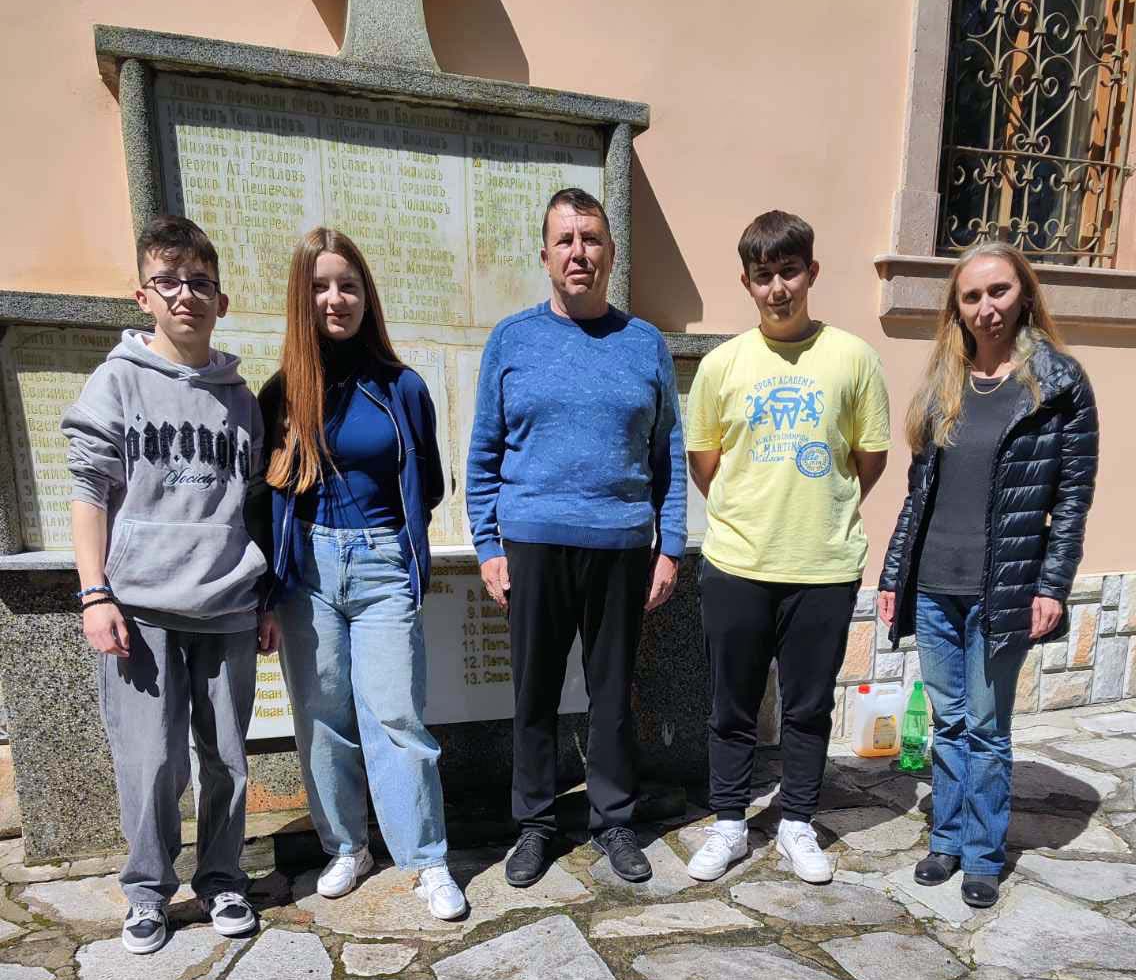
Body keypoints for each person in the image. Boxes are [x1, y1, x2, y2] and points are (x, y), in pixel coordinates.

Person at [62, 215, 273, 954]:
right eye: (169, 281)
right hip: (139, 609)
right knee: (151, 761)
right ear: (143, 295)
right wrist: (94, 592)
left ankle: (222, 878)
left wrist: (266, 597)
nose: (186, 294)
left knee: (227, 760)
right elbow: (88, 490)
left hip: (228, 605)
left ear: (220, 299)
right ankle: (148, 891)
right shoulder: (117, 381)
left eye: (200, 282)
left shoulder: (241, 400)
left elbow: (255, 505)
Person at [466, 187, 687, 887]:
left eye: (591, 239)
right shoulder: (512, 340)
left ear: (611, 253)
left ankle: (613, 818)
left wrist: (670, 545)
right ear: (545, 255)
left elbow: (668, 454)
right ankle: (534, 824)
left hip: (621, 546)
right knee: (533, 693)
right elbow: (483, 452)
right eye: (565, 240)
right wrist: (488, 546)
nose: (579, 252)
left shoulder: (645, 344)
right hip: (533, 544)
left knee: (612, 693)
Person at [878, 242, 1098, 908]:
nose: (986, 307)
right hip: (934, 586)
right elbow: (918, 494)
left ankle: (981, 853)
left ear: (1024, 293)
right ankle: (945, 839)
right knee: (947, 721)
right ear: (957, 308)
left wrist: (1051, 586)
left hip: (1002, 590)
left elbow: (1072, 498)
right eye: (971, 296)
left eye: (998, 291)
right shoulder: (944, 383)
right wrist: (894, 574)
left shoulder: (1059, 384)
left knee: (986, 725)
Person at [256, 228, 465, 920]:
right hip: (308, 572)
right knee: (322, 719)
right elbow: (264, 496)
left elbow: (428, 483)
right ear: (302, 298)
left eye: (348, 284)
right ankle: (347, 846)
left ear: (366, 295)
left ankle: (426, 859)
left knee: (397, 716)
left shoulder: (401, 387)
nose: (335, 298)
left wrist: (394, 541)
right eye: (320, 286)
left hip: (381, 567)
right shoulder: (282, 394)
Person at [682, 210, 890, 883]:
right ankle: (728, 822)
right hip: (737, 563)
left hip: (822, 566)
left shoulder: (854, 359)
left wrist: (816, 508)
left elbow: (869, 458)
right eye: (763, 275)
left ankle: (797, 820)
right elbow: (705, 462)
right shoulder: (722, 364)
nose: (778, 288)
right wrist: (755, 511)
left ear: (812, 272)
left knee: (807, 706)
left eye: (789, 272)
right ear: (746, 282)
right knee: (731, 706)